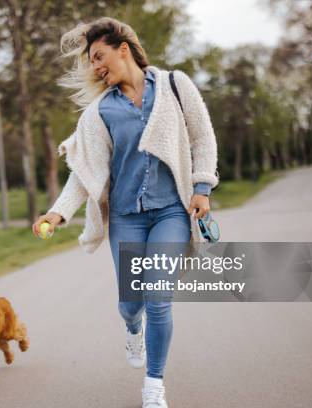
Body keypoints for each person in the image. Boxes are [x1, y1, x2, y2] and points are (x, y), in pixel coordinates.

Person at [32, 17, 219, 408]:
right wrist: (56, 214)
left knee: (159, 296)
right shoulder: (99, 113)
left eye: (99, 56)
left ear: (124, 48)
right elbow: (85, 175)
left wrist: (202, 186)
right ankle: (131, 327)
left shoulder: (174, 85)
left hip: (170, 212)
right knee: (132, 303)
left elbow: (202, 137)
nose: (96, 67)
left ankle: (154, 387)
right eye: (91, 62)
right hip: (126, 218)